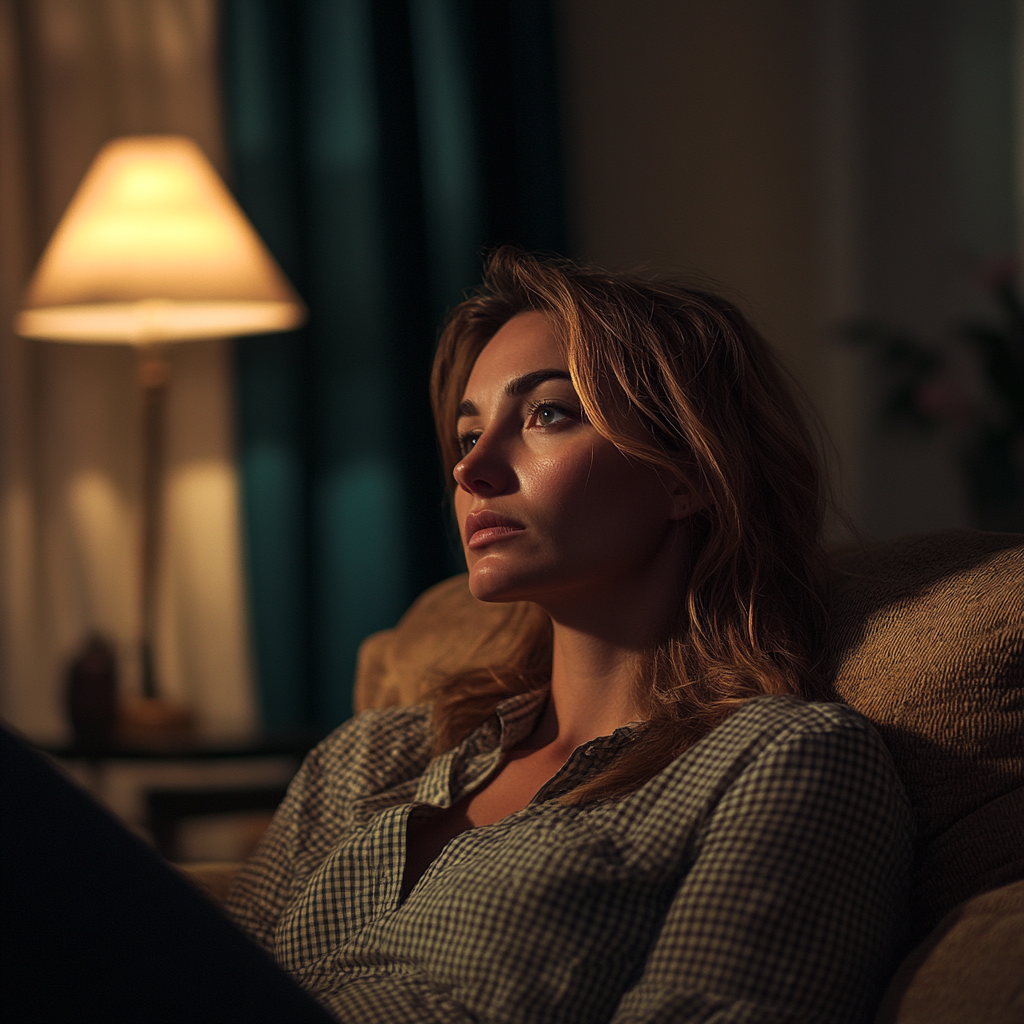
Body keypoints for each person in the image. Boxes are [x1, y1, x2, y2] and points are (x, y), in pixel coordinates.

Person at [226, 248, 913, 1023]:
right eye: (467, 433)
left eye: (548, 413)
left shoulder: (782, 760)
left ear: (686, 471)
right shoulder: (364, 761)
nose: (472, 470)